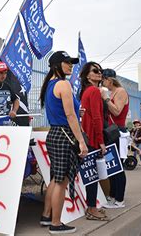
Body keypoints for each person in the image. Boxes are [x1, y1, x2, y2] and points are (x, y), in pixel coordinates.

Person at [39, 51, 88, 234]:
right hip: (65, 135)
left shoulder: (51, 85)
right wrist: (81, 141)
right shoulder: (63, 84)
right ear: (57, 65)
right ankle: (56, 223)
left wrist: (77, 113)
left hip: (54, 134)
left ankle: (46, 216)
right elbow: (69, 116)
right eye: (67, 62)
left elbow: (64, 111)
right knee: (61, 181)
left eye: (71, 63)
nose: (70, 65)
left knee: (55, 178)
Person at [79, 62, 108, 220]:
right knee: (92, 174)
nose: (99, 73)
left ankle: (91, 206)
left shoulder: (85, 91)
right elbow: (97, 118)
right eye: (95, 71)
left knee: (91, 173)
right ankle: (91, 208)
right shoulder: (94, 91)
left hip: (86, 136)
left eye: (100, 71)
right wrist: (101, 141)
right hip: (92, 138)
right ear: (88, 75)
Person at [100, 68, 128, 208]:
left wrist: (105, 98)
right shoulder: (113, 93)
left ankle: (120, 199)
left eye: (103, 79)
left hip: (117, 132)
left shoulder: (120, 92)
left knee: (118, 166)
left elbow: (117, 111)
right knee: (111, 165)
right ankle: (112, 195)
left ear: (109, 80)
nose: (102, 82)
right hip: (110, 132)